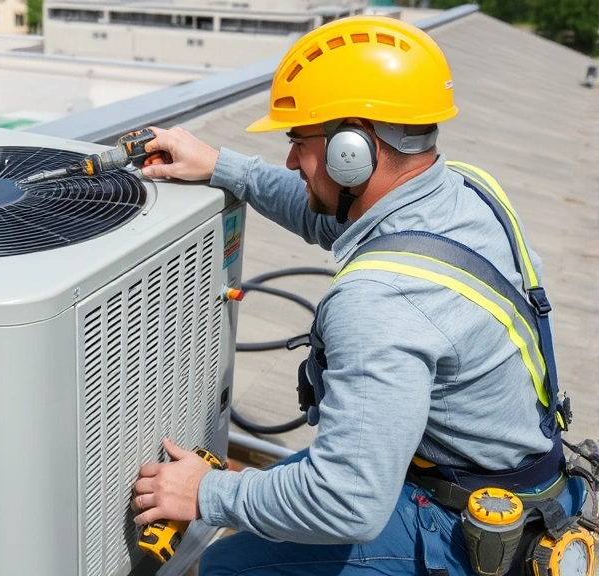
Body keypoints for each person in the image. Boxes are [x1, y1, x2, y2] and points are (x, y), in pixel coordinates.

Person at [131, 16, 587, 576]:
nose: (292, 162)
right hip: (523, 482)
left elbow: (348, 502)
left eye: (299, 142)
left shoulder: (380, 301)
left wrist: (205, 494)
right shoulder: (463, 190)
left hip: (461, 524)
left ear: (353, 149)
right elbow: (332, 215)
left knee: (230, 566)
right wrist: (221, 166)